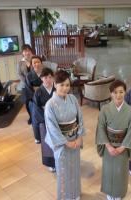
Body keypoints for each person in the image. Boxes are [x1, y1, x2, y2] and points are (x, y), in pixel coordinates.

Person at [44, 70, 85, 200]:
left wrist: (79, 136)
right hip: (62, 144)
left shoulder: (73, 99)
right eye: (61, 85)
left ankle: (75, 194)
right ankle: (65, 196)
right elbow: (52, 127)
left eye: (67, 85)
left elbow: (80, 119)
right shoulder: (50, 104)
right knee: (63, 171)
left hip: (75, 141)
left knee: (75, 169)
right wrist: (66, 142)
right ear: (55, 84)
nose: (65, 88)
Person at [96, 80, 131, 200]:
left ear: (125, 92)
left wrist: (122, 148)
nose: (118, 95)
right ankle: (109, 192)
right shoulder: (105, 109)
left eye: (121, 92)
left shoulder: (130, 111)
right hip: (109, 146)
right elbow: (100, 128)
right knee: (108, 170)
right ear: (110, 93)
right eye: (115, 92)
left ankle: (119, 193)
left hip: (122, 147)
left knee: (121, 171)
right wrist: (108, 146)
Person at [31, 67, 56, 172]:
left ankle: (59, 160)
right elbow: (36, 110)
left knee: (57, 142)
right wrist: (46, 120)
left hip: (57, 120)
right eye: (45, 77)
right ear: (41, 78)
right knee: (47, 145)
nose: (48, 80)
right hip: (45, 121)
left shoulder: (56, 90)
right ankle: (51, 164)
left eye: (50, 77)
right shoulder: (38, 92)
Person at [24, 55, 43, 128]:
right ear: (31, 64)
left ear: (41, 63)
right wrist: (36, 95)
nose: (36, 64)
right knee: (29, 103)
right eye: (34, 63)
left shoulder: (45, 73)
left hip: (44, 94)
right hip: (33, 95)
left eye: (38, 62)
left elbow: (49, 84)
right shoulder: (29, 75)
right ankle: (32, 117)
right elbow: (28, 88)